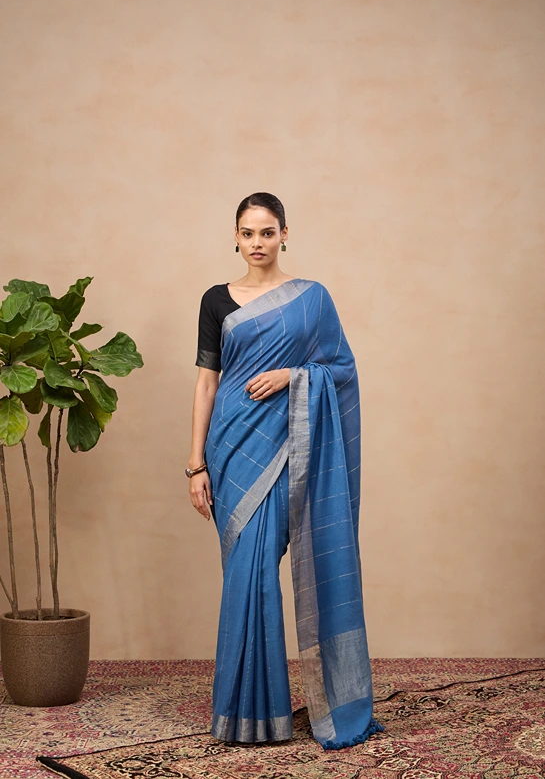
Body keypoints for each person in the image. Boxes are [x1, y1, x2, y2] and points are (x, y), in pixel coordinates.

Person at [188, 192, 383, 749]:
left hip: (289, 447)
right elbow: (206, 382)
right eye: (248, 233)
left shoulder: (312, 298)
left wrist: (292, 377)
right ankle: (247, 713)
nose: (257, 243)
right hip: (231, 447)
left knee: (262, 572)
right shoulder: (215, 300)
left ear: (284, 235)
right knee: (245, 575)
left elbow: (340, 370)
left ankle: (269, 709)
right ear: (235, 237)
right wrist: (195, 464)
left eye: (267, 232)